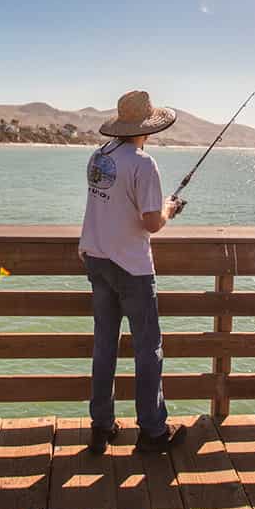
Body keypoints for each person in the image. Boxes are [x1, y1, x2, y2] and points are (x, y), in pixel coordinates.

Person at [79, 89, 188, 455]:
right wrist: (170, 209)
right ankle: (153, 431)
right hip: (131, 267)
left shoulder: (99, 157)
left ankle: (101, 426)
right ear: (147, 127)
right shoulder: (144, 164)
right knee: (148, 349)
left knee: (104, 346)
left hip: (96, 258)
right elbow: (151, 223)